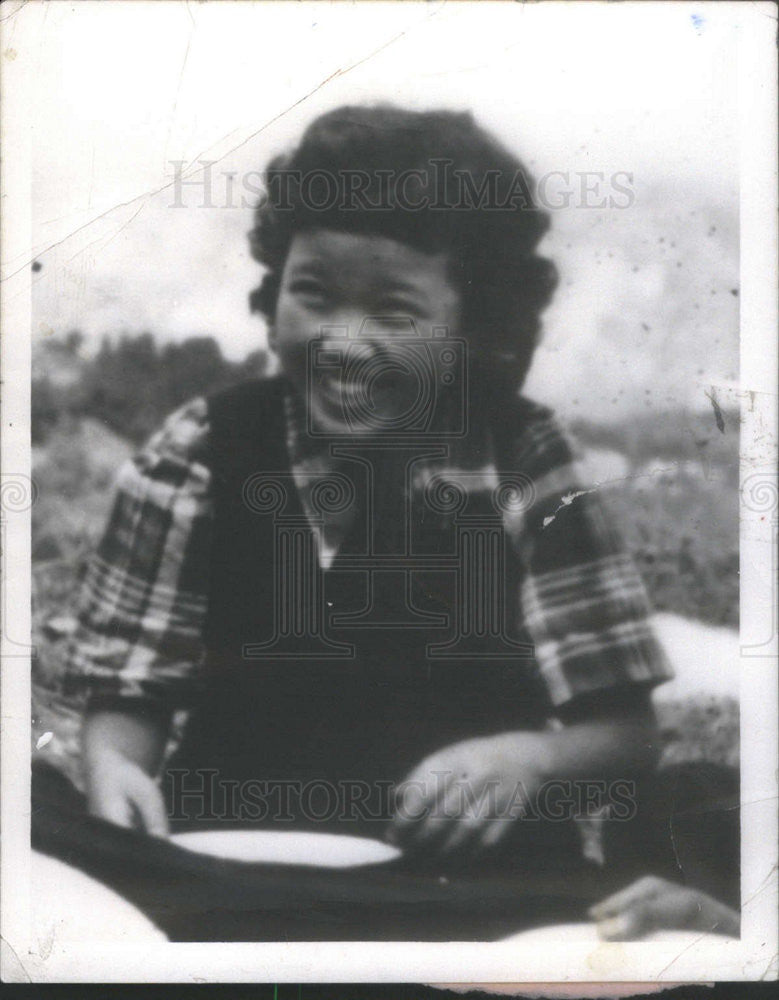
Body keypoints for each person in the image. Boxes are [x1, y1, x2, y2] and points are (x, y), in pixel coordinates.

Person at [52, 105, 708, 919]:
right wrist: (117, 768)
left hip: (463, 889)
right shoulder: (201, 448)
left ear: (473, 328)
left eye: (395, 314)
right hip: (220, 869)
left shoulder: (525, 459)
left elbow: (624, 734)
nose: (343, 343)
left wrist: (527, 763)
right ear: (271, 289)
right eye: (313, 294)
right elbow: (128, 692)